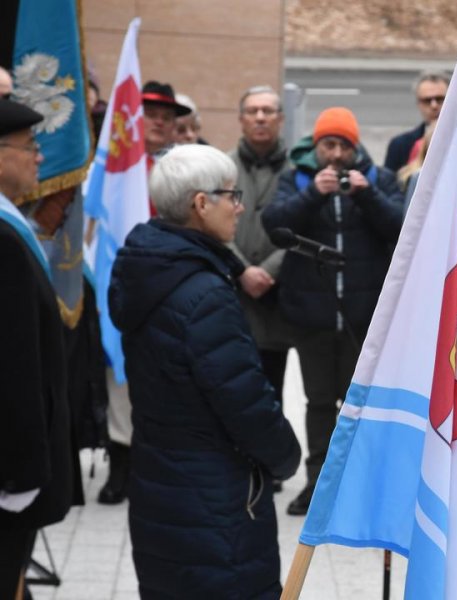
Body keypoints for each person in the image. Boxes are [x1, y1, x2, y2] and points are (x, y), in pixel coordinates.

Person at [108, 144, 302, 599]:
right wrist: (286, 458)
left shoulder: (150, 268)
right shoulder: (203, 293)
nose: (239, 207)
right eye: (231, 196)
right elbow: (245, 401)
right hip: (213, 500)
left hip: (160, 484)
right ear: (200, 204)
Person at [262, 107, 404, 516]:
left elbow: (401, 227)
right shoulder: (297, 179)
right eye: (329, 144)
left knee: (360, 404)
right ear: (317, 146)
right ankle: (317, 484)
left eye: (344, 145)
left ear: (355, 146)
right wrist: (313, 194)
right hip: (313, 317)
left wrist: (367, 194)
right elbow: (275, 225)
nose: (337, 154)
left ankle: (361, 486)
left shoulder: (380, 180)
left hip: (364, 318)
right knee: (319, 402)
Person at [98, 80, 193, 506]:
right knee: (118, 374)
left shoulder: (186, 168)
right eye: (150, 115)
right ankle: (120, 461)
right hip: (121, 283)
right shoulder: (117, 168)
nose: (158, 123)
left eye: (166, 118)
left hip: (171, 287)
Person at [0, 99, 75, 599]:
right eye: (29, 147)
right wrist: (21, 474)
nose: (40, 158)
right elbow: (14, 364)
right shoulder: (3, 240)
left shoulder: (12, 223)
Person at [228, 86, 296, 492]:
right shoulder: (222, 165)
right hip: (235, 294)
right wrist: (241, 269)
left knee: (272, 384)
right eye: (252, 110)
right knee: (237, 383)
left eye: (268, 111)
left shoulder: (296, 169)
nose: (259, 118)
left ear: (280, 119)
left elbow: (302, 227)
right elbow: (210, 223)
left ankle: (271, 465)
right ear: (241, 119)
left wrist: (267, 270)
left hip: (278, 297)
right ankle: (240, 459)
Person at [383, 71, 449, 173]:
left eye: (440, 99)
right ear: (418, 103)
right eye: (427, 100)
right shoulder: (400, 145)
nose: (434, 106)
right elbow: (388, 185)